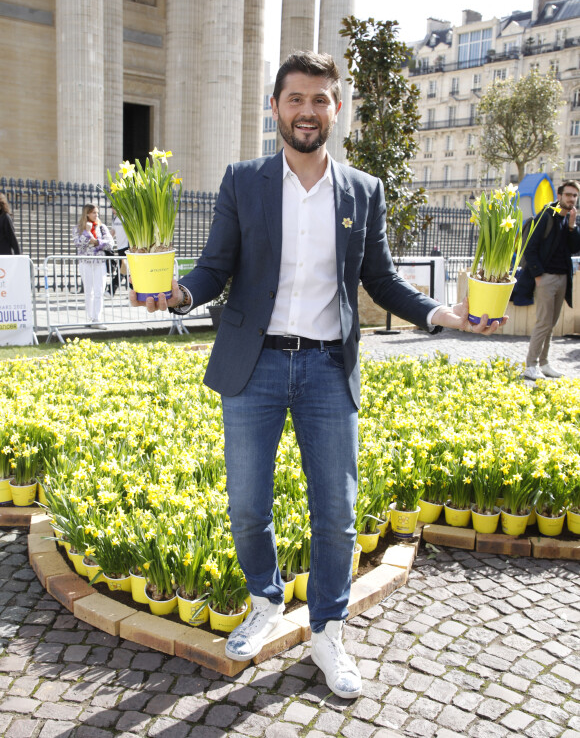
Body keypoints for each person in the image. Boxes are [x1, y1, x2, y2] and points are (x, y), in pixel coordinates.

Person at [131, 51, 502, 698]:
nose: (307, 110)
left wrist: (441, 312)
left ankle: (329, 631)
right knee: (248, 507)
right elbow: (214, 267)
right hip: (256, 368)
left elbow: (381, 279)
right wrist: (180, 296)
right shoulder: (244, 181)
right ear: (274, 107)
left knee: (337, 514)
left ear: (337, 109)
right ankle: (265, 599)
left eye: (320, 99)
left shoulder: (363, 190)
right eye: (295, 98)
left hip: (330, 369)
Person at [520, 180, 580, 380]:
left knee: (551, 324)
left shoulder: (567, 219)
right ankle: (531, 365)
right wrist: (538, 275)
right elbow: (530, 248)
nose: (572, 199)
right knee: (543, 323)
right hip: (546, 278)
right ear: (560, 195)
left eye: (575, 196)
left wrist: (572, 227)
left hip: (562, 278)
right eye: (568, 195)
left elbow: (573, 249)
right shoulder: (547, 216)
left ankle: (544, 363)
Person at [73, 204, 114, 328]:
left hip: (99, 263)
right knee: (88, 292)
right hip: (85, 263)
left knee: (99, 291)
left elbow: (110, 243)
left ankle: (97, 318)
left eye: (97, 213)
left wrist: (96, 242)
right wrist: (86, 233)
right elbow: (78, 244)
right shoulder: (78, 228)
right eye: (93, 213)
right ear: (87, 214)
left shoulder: (102, 228)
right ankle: (90, 318)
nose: (96, 215)